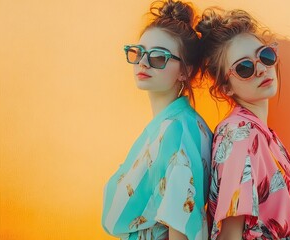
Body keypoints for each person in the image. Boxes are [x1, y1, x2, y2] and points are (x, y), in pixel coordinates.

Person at [196, 8, 290, 239]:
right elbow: (230, 235)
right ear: (225, 87)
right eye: (244, 68)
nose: (262, 68)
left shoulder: (262, 134)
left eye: (266, 55)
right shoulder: (240, 134)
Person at [102, 1, 212, 239]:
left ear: (185, 71)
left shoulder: (178, 130)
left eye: (158, 57)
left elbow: (181, 223)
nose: (143, 62)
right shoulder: (175, 124)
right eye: (139, 52)